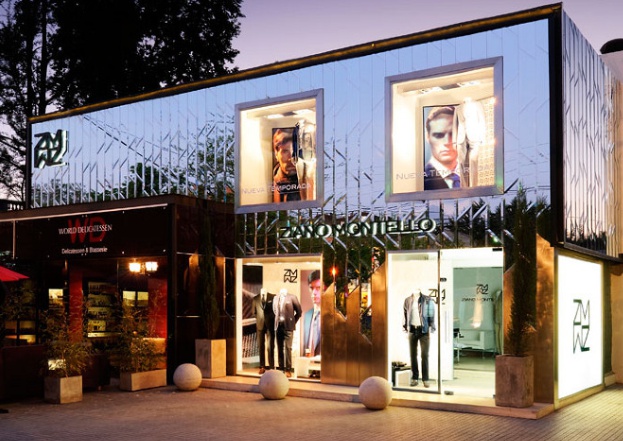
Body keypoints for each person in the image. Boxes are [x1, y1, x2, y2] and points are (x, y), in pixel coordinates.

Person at [403, 291, 436, 387]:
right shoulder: (407, 300)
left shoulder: (427, 299)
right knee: (413, 355)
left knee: (424, 355)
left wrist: (431, 327)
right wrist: (405, 327)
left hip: (424, 331)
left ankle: (425, 379)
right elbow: (405, 315)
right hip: (412, 330)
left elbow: (431, 314)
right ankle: (415, 378)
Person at [423, 106, 461, 190]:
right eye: (439, 135)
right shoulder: (422, 179)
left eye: (453, 134)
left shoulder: (475, 173)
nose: (447, 142)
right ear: (427, 137)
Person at [273, 287, 302, 377]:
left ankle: (288, 369)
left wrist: (292, 321)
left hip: (288, 327)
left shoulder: (292, 297)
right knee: (279, 348)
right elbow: (275, 310)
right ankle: (281, 368)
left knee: (288, 348)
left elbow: (299, 312)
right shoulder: (276, 298)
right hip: (278, 326)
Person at [272, 128, 302, 202]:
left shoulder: (311, 181)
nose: (290, 158)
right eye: (285, 151)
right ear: (276, 154)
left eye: (295, 152)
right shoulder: (269, 185)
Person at [252, 288, 275, 374]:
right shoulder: (255, 299)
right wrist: (260, 319)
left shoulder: (272, 297)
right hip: (260, 325)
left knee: (270, 347)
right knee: (261, 346)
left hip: (270, 325)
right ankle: (262, 366)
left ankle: (271, 366)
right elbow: (253, 312)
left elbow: (275, 310)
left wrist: (271, 319)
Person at [303, 270, 322, 360]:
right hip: (309, 363)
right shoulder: (307, 316)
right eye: (311, 288)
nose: (314, 292)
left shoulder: (332, 316)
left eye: (318, 288)